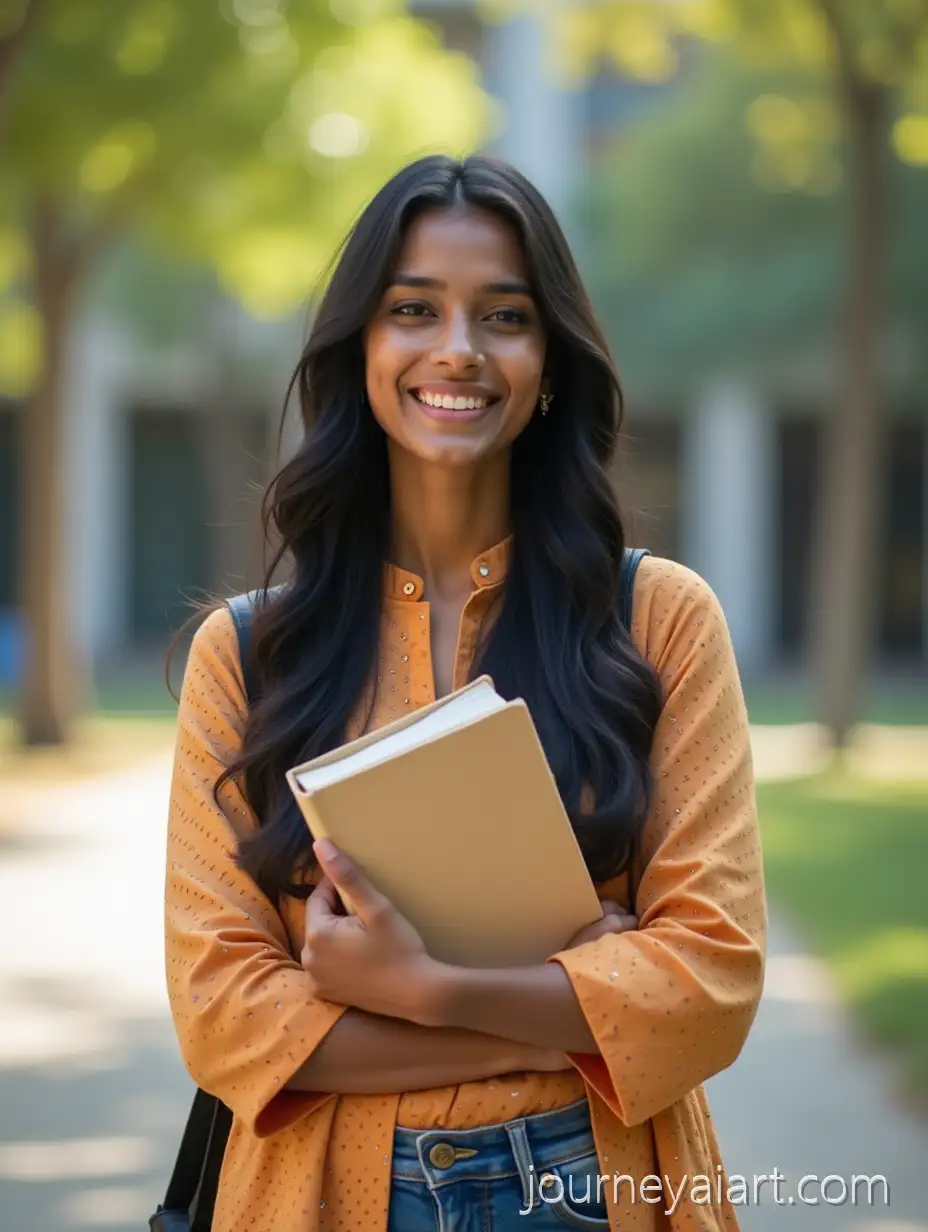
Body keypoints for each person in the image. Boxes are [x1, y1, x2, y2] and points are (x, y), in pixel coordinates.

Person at [164, 153, 766, 1232]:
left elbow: (707, 982)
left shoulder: (658, 620)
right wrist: (556, 1018)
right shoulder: (249, 654)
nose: (457, 349)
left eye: (503, 315)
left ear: (548, 361)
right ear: (359, 348)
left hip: (604, 1183)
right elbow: (224, 1016)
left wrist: (417, 987)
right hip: (324, 1196)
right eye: (412, 309)